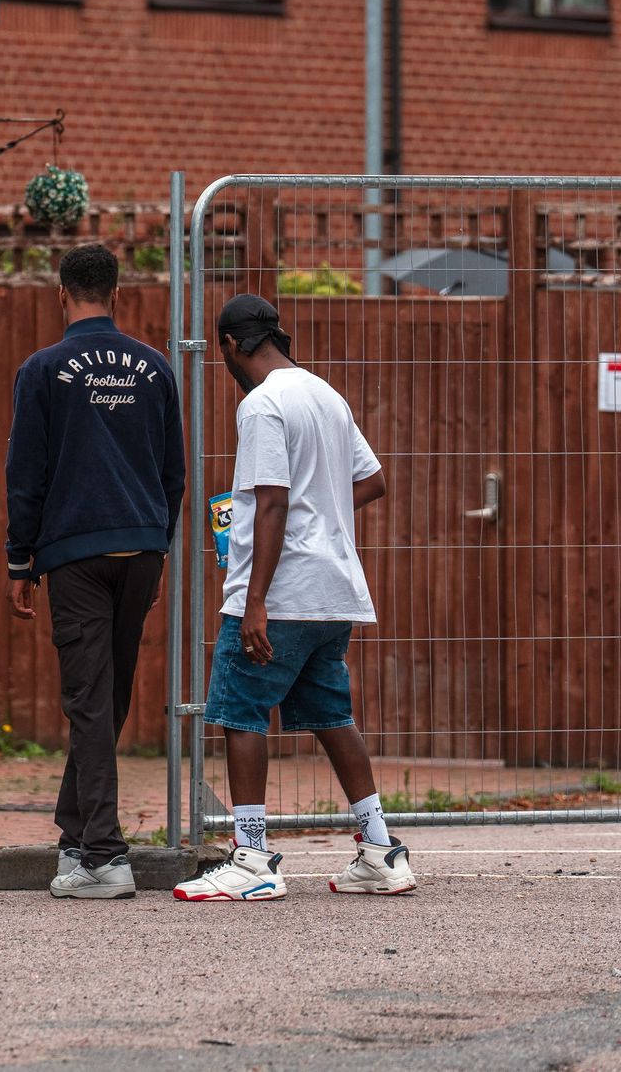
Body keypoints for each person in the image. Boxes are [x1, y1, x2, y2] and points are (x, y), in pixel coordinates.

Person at [173, 293, 417, 901]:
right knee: (333, 717)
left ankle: (252, 859)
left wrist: (254, 601)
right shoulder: (324, 394)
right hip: (333, 591)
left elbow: (273, 501)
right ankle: (380, 851)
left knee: (239, 714)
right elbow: (373, 480)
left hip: (281, 594)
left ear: (231, 345)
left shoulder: (262, 404)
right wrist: (322, 513)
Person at [5, 244, 185, 900]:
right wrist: (158, 547)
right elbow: (173, 472)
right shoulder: (155, 367)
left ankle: (106, 857)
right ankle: (76, 839)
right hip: (140, 546)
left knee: (88, 700)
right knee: (107, 700)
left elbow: (26, 472)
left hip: (76, 552)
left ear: (61, 294)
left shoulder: (43, 369)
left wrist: (20, 560)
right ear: (117, 293)